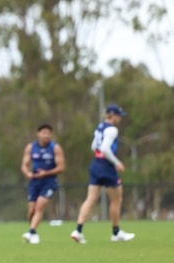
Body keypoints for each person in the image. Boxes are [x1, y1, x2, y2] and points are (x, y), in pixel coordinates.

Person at [71, 104, 135, 244]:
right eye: (119, 115)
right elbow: (105, 149)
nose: (120, 118)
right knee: (116, 199)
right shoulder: (112, 129)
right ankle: (116, 232)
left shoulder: (100, 127)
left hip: (95, 165)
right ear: (113, 115)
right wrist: (117, 162)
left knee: (91, 198)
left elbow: (94, 146)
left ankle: (78, 230)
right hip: (106, 166)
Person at [20, 124, 66, 244]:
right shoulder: (31, 147)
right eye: (44, 133)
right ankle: (32, 231)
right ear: (38, 134)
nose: (46, 135)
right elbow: (24, 165)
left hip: (49, 181)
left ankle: (32, 232)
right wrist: (27, 173)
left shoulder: (55, 148)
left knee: (40, 206)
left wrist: (46, 173)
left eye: (48, 133)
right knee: (31, 211)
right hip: (34, 181)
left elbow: (61, 167)